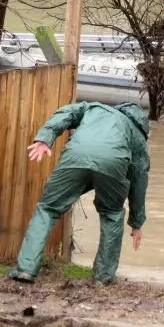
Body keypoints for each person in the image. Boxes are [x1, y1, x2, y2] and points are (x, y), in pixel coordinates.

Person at [8, 101, 150, 285]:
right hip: (113, 163)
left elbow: (65, 113)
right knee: (111, 214)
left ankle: (26, 269)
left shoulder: (94, 107)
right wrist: (137, 223)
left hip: (76, 155)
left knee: (48, 208)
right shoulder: (138, 137)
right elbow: (139, 181)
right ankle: (103, 277)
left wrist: (45, 138)